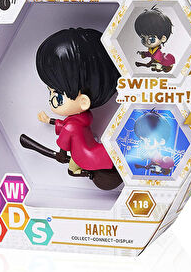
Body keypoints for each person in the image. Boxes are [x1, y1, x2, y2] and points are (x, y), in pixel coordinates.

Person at [22, 27, 122, 191]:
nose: (51, 100)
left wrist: (61, 154)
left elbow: (65, 141)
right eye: (50, 92)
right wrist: (50, 120)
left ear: (83, 102)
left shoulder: (72, 126)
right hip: (86, 148)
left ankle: (87, 173)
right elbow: (69, 125)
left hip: (82, 155)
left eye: (57, 95)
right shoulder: (83, 118)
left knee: (71, 170)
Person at [134, 5, 175, 72]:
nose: (147, 42)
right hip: (158, 62)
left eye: (152, 39)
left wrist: (148, 63)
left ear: (163, 38)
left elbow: (156, 58)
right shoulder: (152, 50)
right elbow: (149, 53)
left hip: (163, 63)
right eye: (143, 39)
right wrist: (143, 53)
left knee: (155, 65)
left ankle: (159, 68)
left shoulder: (157, 52)